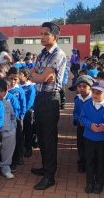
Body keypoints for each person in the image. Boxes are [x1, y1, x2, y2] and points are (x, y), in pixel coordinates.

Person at [30, 22, 67, 190]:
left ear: (55, 36)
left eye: (46, 34)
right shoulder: (42, 54)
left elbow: (40, 78)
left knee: (50, 137)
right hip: (40, 97)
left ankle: (50, 175)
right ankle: (45, 167)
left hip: (51, 99)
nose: (42, 36)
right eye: (41, 33)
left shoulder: (58, 54)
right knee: (42, 136)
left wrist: (38, 75)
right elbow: (34, 73)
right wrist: (37, 75)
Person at [80, 80, 104, 194]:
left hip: (103, 140)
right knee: (89, 161)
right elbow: (82, 118)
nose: (95, 95)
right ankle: (90, 182)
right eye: (93, 92)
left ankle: (99, 182)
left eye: (98, 93)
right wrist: (90, 125)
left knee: (101, 161)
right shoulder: (86, 105)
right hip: (89, 138)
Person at [0, 78, 17, 179]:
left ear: (5, 91)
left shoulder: (7, 103)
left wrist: (13, 128)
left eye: (2, 91)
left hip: (8, 132)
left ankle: (5, 167)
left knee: (7, 151)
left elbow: (13, 116)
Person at [72, 75, 94, 174]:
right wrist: (78, 119)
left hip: (90, 127)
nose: (81, 88)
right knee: (80, 144)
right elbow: (75, 112)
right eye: (79, 86)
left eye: (84, 86)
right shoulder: (78, 99)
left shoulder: (93, 99)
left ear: (90, 87)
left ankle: (91, 164)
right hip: (80, 126)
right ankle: (82, 163)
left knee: (90, 146)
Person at [7, 67, 26, 171]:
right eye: (11, 78)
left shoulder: (20, 90)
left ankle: (19, 156)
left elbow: (23, 105)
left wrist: (20, 117)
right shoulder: (5, 89)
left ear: (19, 79)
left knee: (18, 138)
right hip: (6, 119)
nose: (13, 81)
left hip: (17, 119)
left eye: (15, 79)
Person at [19, 67, 36, 158]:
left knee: (28, 130)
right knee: (20, 130)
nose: (18, 77)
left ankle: (28, 148)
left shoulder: (30, 87)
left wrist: (23, 111)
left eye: (20, 75)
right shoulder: (17, 86)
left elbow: (30, 102)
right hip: (18, 112)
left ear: (26, 76)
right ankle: (21, 146)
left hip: (27, 112)